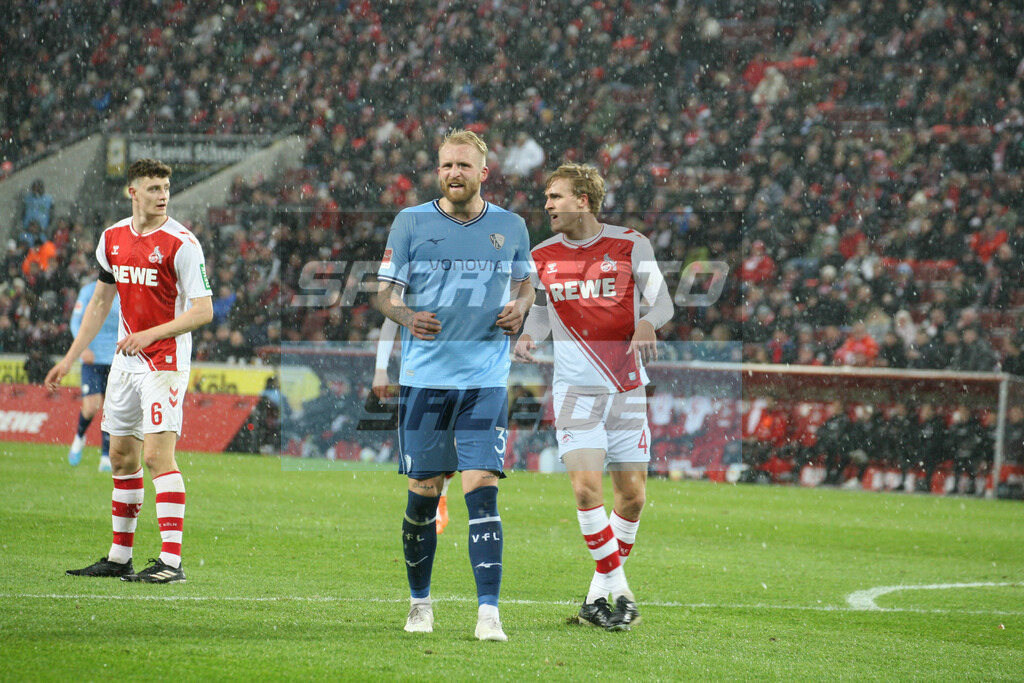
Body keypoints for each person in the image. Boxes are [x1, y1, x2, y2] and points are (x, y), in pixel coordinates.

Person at [375, 129, 534, 642]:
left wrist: (522, 307)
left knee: (481, 493)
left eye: (463, 166)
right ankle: (420, 604)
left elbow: (526, 282)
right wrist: (405, 315)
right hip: (425, 383)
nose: (453, 174)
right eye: (446, 165)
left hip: (485, 381)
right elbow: (384, 296)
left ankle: (489, 613)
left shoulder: (510, 226)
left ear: (483, 172)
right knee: (422, 499)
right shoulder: (411, 222)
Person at [513, 163, 673, 631]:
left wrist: (647, 321)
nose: (548, 206)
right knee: (586, 489)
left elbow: (662, 301)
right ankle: (621, 591)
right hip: (575, 389)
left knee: (633, 498)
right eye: (547, 197)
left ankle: (594, 600)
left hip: (626, 388)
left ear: (584, 200)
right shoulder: (542, 254)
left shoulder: (629, 243)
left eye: (556, 197)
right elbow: (542, 311)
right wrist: (529, 335)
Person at [45, 158, 213, 584]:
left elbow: (203, 311)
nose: (163, 195)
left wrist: (150, 333)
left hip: (165, 363)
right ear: (132, 191)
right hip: (126, 362)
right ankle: (120, 557)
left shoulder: (183, 244)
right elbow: (100, 303)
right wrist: (69, 357)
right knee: (121, 457)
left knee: (157, 457)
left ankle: (171, 563)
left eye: (166, 187)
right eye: (154, 188)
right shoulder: (112, 239)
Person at [372, 317, 453, 534]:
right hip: (419, 377)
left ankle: (442, 494)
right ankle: (431, 504)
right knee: (422, 461)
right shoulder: (409, 285)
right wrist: (380, 368)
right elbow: (390, 319)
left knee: (456, 442)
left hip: (461, 372)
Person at [67, 275, 121, 472]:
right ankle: (79, 437)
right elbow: (75, 322)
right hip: (92, 359)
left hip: (116, 359)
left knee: (111, 409)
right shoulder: (89, 291)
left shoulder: (125, 292)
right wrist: (83, 348)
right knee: (91, 407)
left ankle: (106, 456)